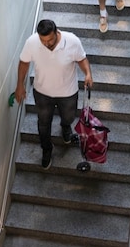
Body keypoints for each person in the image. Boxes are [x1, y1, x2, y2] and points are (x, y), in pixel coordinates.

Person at [15, 19, 93, 169]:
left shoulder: (72, 41)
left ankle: (65, 128)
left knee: (69, 117)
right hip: (42, 93)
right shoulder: (32, 42)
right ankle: (46, 150)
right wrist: (20, 85)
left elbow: (82, 59)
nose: (46, 44)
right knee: (43, 123)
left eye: (50, 39)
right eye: (43, 40)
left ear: (57, 33)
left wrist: (88, 74)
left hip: (68, 92)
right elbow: (24, 62)